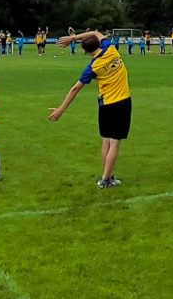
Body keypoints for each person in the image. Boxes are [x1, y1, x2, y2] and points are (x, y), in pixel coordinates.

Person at [47, 31, 131, 189]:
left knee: (106, 140)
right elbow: (95, 32)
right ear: (99, 43)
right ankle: (105, 179)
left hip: (105, 105)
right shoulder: (111, 49)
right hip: (122, 102)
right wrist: (72, 38)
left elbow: (75, 89)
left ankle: (109, 176)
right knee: (115, 142)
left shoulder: (93, 67)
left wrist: (61, 110)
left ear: (86, 51)